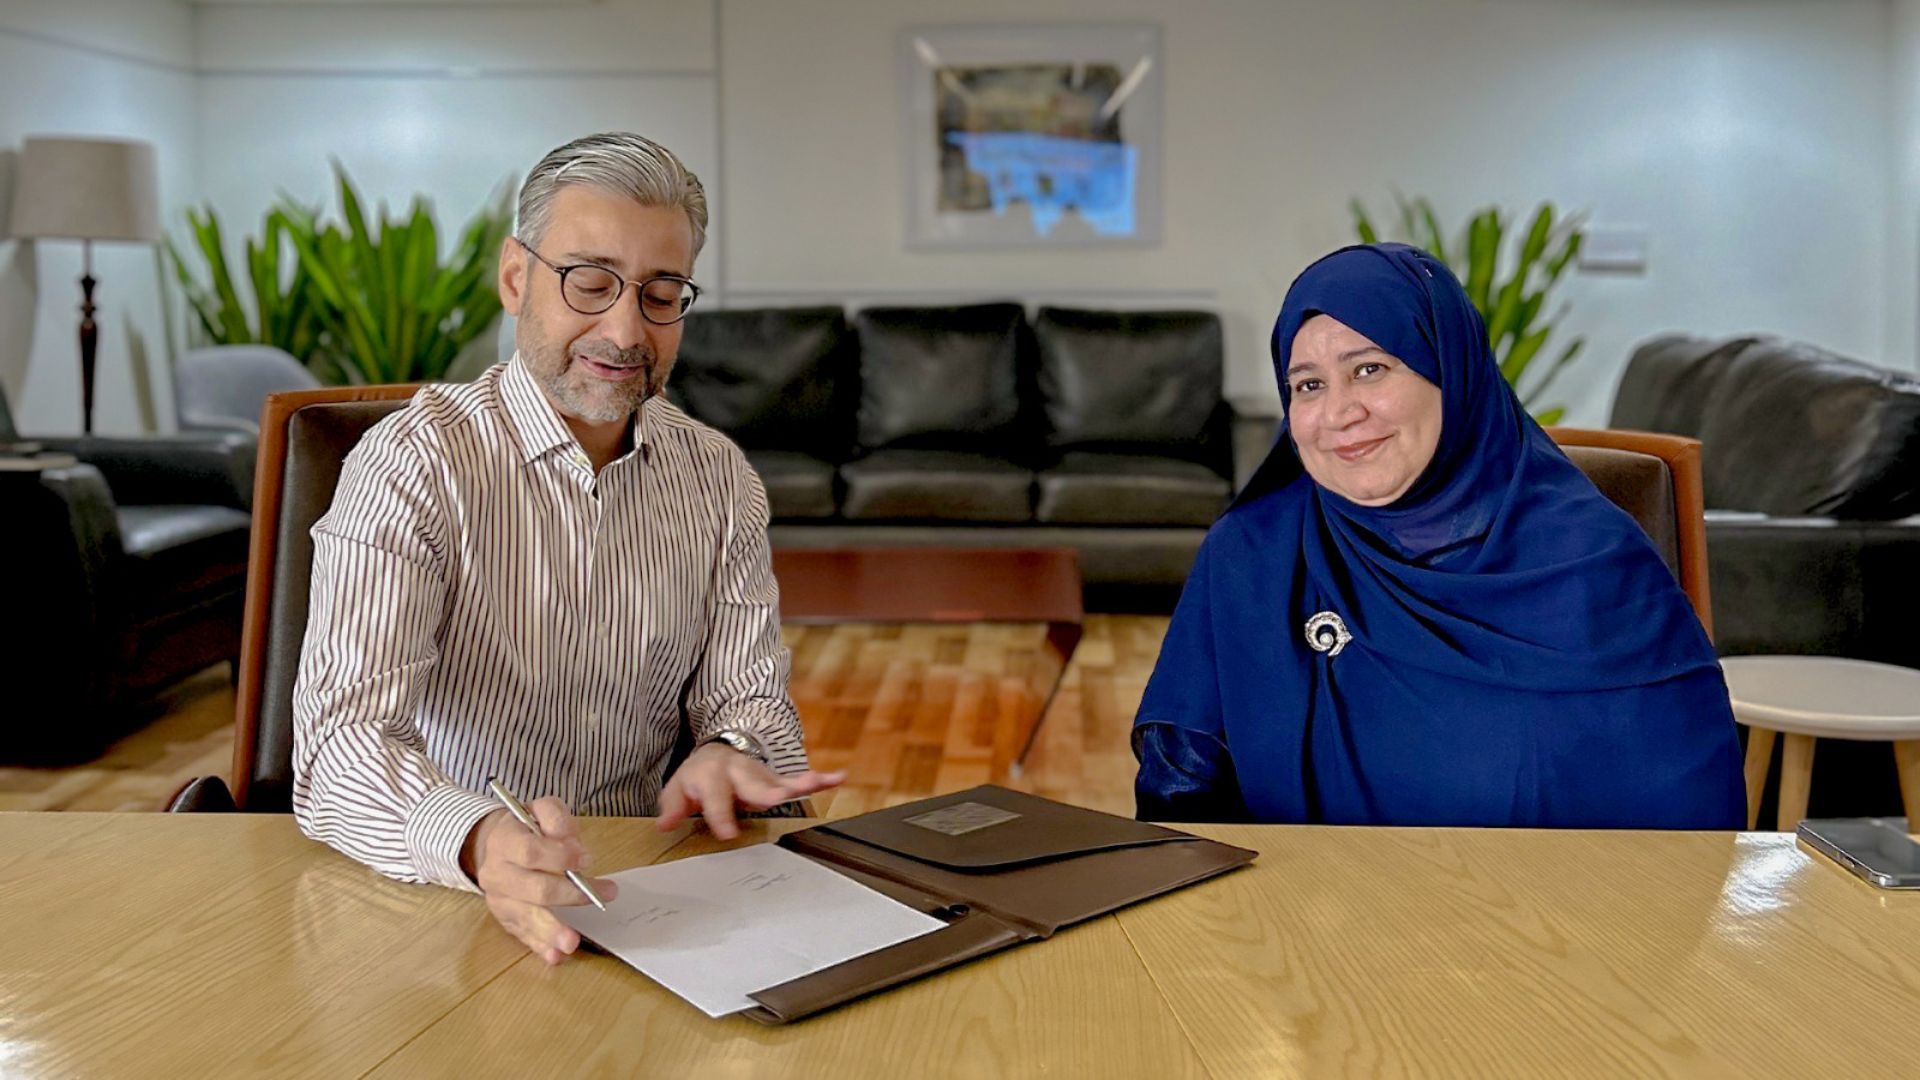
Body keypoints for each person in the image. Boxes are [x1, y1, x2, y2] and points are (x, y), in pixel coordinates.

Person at [292, 132, 844, 963]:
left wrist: (732, 753)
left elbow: (749, 698)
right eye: (591, 283)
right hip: (445, 899)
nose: (625, 330)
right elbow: (341, 744)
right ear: (517, 279)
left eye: (661, 295)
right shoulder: (415, 465)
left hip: (652, 897)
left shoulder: (720, 478)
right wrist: (477, 842)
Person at [1132, 243, 1744, 829]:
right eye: (1309, 385)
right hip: (1303, 921)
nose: (1340, 413)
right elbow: (1180, 797)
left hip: (1550, 923)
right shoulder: (1253, 554)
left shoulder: (1596, 563)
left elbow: (1685, 825)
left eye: (1369, 369)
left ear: (1452, 372)